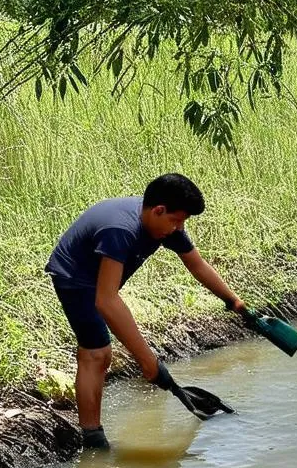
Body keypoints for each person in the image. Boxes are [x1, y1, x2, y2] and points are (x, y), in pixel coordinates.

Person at [45, 173, 245, 449]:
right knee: (97, 353)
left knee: (111, 344)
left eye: (182, 222)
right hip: (75, 276)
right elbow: (106, 301)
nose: (178, 228)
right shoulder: (121, 230)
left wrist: (234, 301)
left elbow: (197, 265)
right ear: (159, 210)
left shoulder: (161, 222)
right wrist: (148, 361)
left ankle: (96, 429)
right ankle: (93, 437)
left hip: (102, 278)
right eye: (176, 220)